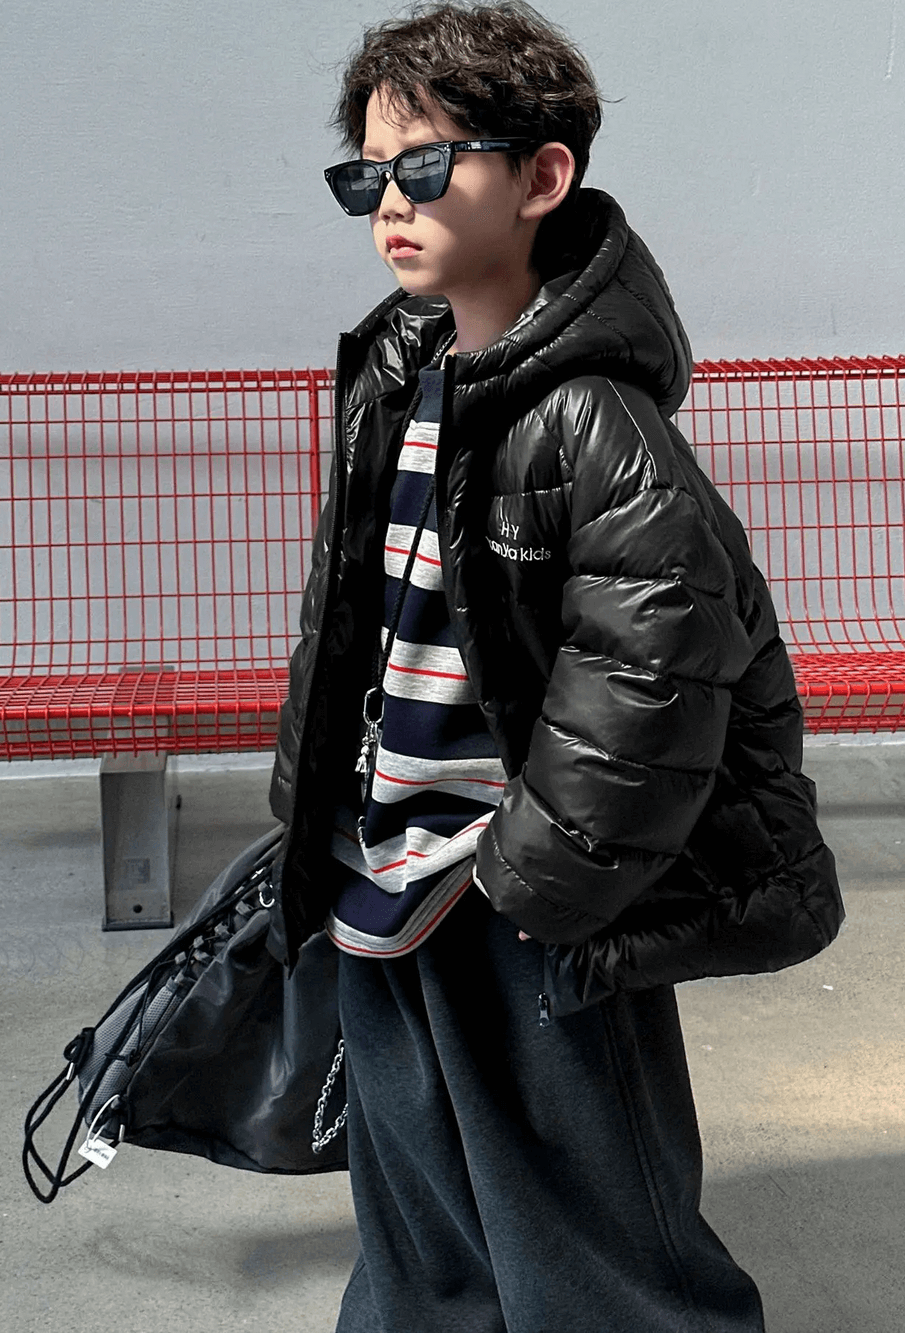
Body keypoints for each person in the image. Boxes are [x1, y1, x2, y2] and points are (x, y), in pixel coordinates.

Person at [265, 3, 844, 1329]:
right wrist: (322, 822)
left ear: (543, 177)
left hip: (520, 889)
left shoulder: (594, 419)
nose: (390, 207)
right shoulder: (397, 377)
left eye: (425, 168)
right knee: (413, 1185)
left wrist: (532, 878)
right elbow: (354, 622)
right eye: (369, 178)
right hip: (388, 861)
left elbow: (655, 665)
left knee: (587, 1203)